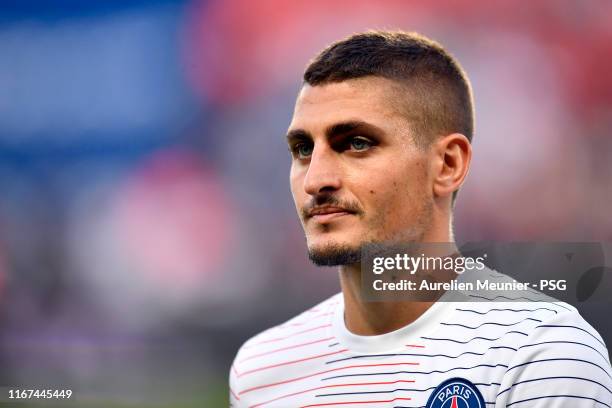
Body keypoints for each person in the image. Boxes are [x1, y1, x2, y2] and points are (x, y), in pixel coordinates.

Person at [229, 30, 612, 407]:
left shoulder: (539, 353)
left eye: (356, 144)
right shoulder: (261, 370)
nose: (316, 180)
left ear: (447, 164)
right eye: (303, 150)